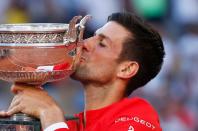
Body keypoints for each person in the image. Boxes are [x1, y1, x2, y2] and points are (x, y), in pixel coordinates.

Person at [0, 12, 165, 131]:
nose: (84, 43)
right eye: (93, 36)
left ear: (126, 68)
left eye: (102, 44)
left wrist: (50, 113)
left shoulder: (138, 121)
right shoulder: (71, 125)